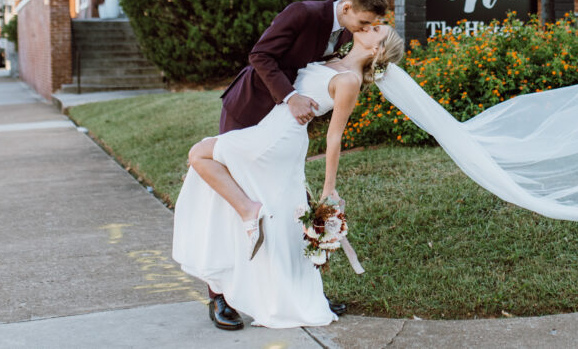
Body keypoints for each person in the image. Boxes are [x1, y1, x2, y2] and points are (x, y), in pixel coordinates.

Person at [173, 23, 405, 329]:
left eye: (377, 28)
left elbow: (335, 138)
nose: (369, 25)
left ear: (377, 49)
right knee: (281, 220)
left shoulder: (348, 80)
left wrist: (328, 189)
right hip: (271, 133)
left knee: (199, 155)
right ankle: (291, 291)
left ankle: (247, 211)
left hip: (276, 141)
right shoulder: (333, 61)